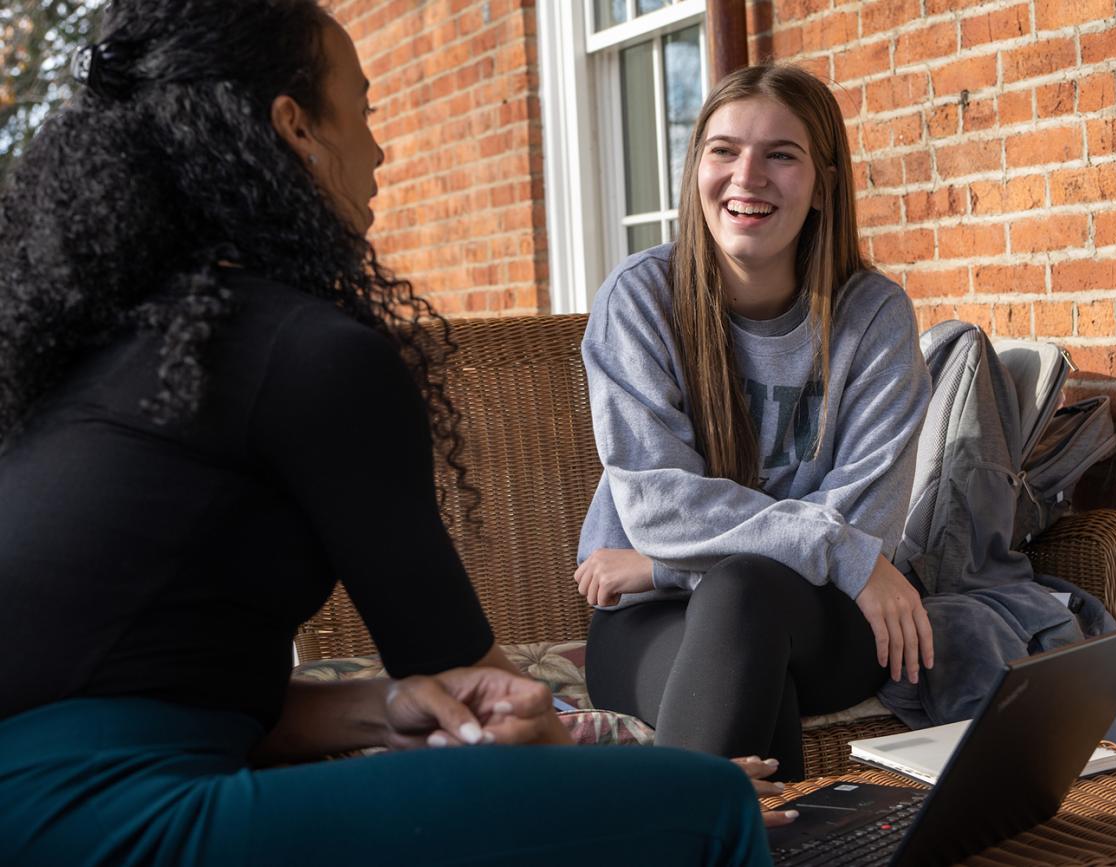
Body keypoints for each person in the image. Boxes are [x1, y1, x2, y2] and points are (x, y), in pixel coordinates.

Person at [0, 2, 773, 864]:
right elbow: (505, 714)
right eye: (363, 112)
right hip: (94, 821)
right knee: (708, 804)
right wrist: (637, 771)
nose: (379, 150)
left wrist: (384, 707)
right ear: (296, 128)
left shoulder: (87, 349)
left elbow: (157, 679)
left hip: (52, 794)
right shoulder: (309, 356)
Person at [575, 65, 935, 781]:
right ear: (695, 169)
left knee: (744, 592)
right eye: (723, 150)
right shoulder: (641, 301)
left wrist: (666, 564)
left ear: (823, 183)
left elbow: (864, 522)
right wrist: (687, 552)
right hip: (652, 622)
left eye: (781, 154)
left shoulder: (874, 318)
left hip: (825, 616)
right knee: (749, 667)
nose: (749, 176)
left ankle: (671, 835)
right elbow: (659, 504)